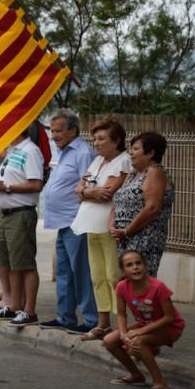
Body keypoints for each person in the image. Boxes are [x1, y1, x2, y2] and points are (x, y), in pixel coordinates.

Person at [37, 109, 99, 334]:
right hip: (62, 223)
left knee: (81, 272)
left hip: (76, 222)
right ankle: (65, 317)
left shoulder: (83, 152)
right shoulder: (65, 152)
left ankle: (92, 321)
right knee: (64, 273)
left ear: (73, 130)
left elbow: (90, 185)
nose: (54, 136)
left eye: (58, 131)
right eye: (52, 131)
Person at [72, 118, 132, 341]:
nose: (96, 143)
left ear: (116, 141)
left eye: (101, 138)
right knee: (97, 275)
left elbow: (108, 192)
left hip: (109, 225)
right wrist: (88, 192)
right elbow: (79, 189)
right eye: (95, 138)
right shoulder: (97, 161)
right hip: (89, 223)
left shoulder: (123, 162)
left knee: (113, 275)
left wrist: (86, 192)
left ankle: (120, 325)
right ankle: (103, 323)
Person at [0, 124, 46, 326]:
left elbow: (36, 184)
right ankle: (13, 307)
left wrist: (7, 187)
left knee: (25, 263)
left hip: (20, 214)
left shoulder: (31, 151)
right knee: (10, 263)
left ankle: (30, 310)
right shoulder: (13, 151)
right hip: (5, 213)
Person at [103, 251, 185, 389]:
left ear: (145, 266)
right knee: (109, 341)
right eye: (129, 265)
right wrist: (123, 335)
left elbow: (170, 317)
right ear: (123, 271)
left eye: (138, 263)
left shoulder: (158, 287)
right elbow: (121, 314)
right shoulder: (122, 287)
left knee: (137, 342)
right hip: (145, 324)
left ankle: (161, 384)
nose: (135, 267)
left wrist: (139, 332)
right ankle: (136, 375)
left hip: (169, 328)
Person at [111, 132, 175, 277]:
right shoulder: (133, 173)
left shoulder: (154, 172)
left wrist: (128, 231)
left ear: (150, 153)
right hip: (124, 238)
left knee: (141, 282)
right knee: (126, 283)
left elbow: (152, 208)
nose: (131, 153)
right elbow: (118, 201)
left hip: (144, 238)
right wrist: (113, 226)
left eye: (136, 149)